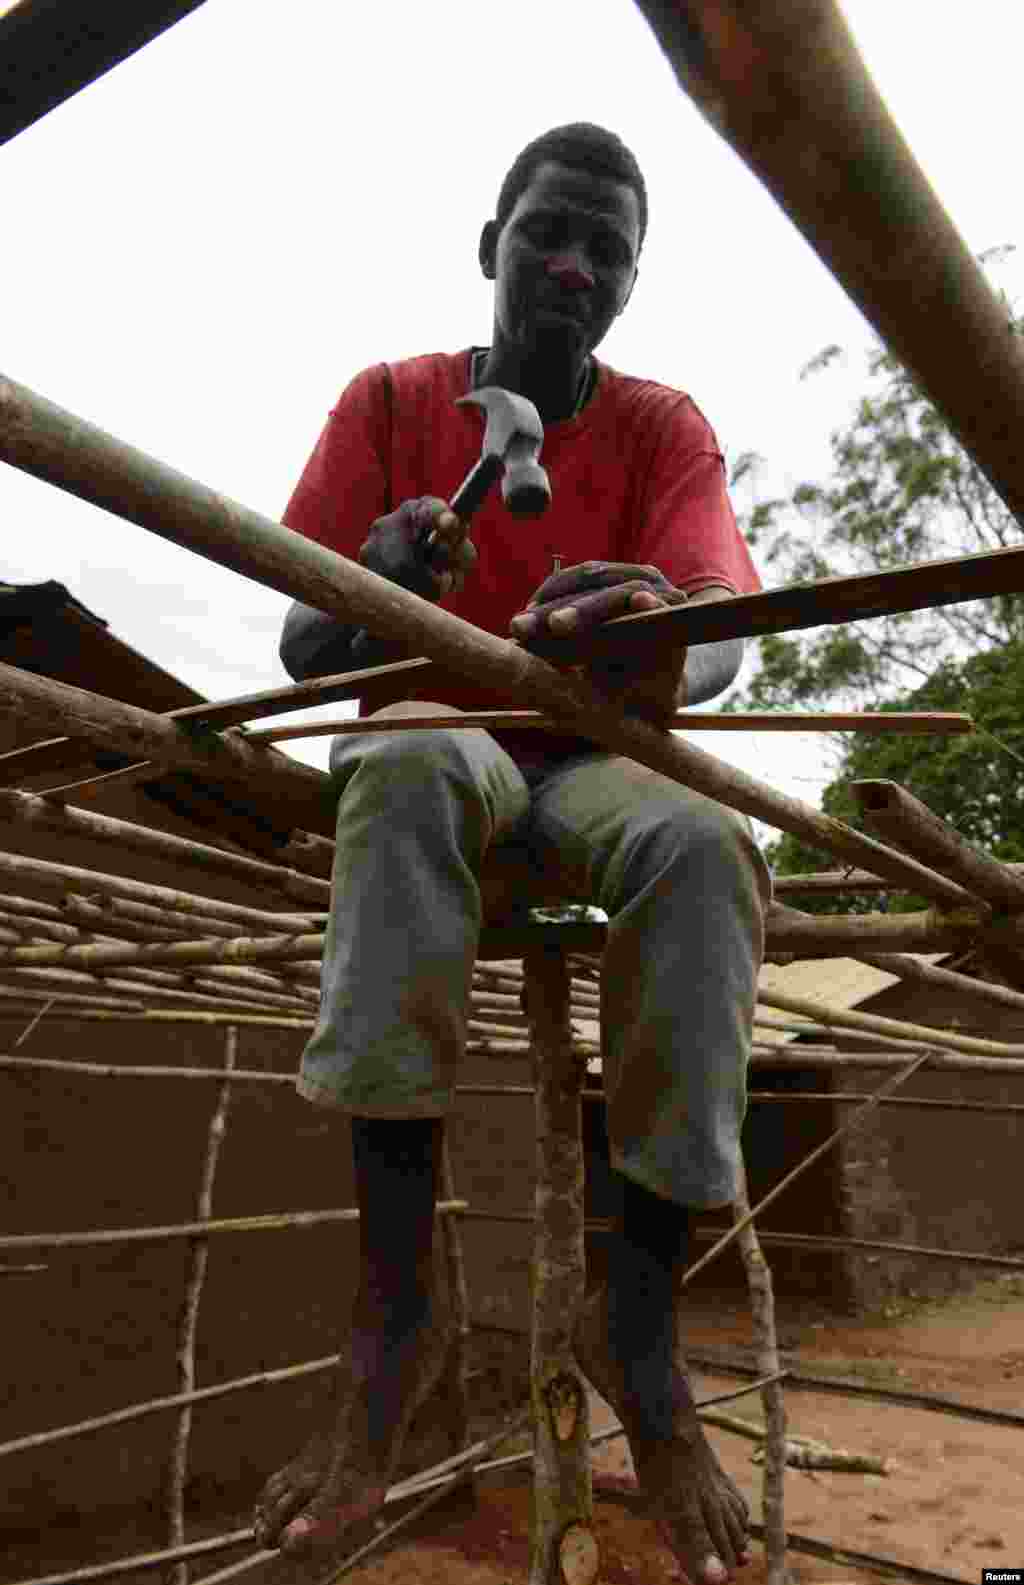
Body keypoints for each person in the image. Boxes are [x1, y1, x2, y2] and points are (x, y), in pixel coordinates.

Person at [254, 122, 771, 1583]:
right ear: (491, 242)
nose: (572, 262)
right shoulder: (392, 402)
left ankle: (646, 1335)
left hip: (593, 768)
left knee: (708, 845)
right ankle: (393, 1326)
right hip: (441, 750)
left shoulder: (665, 427)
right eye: (549, 229)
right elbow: (300, 645)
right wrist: (373, 582)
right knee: (410, 753)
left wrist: (660, 621)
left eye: (606, 249)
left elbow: (723, 633)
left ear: (626, 285)